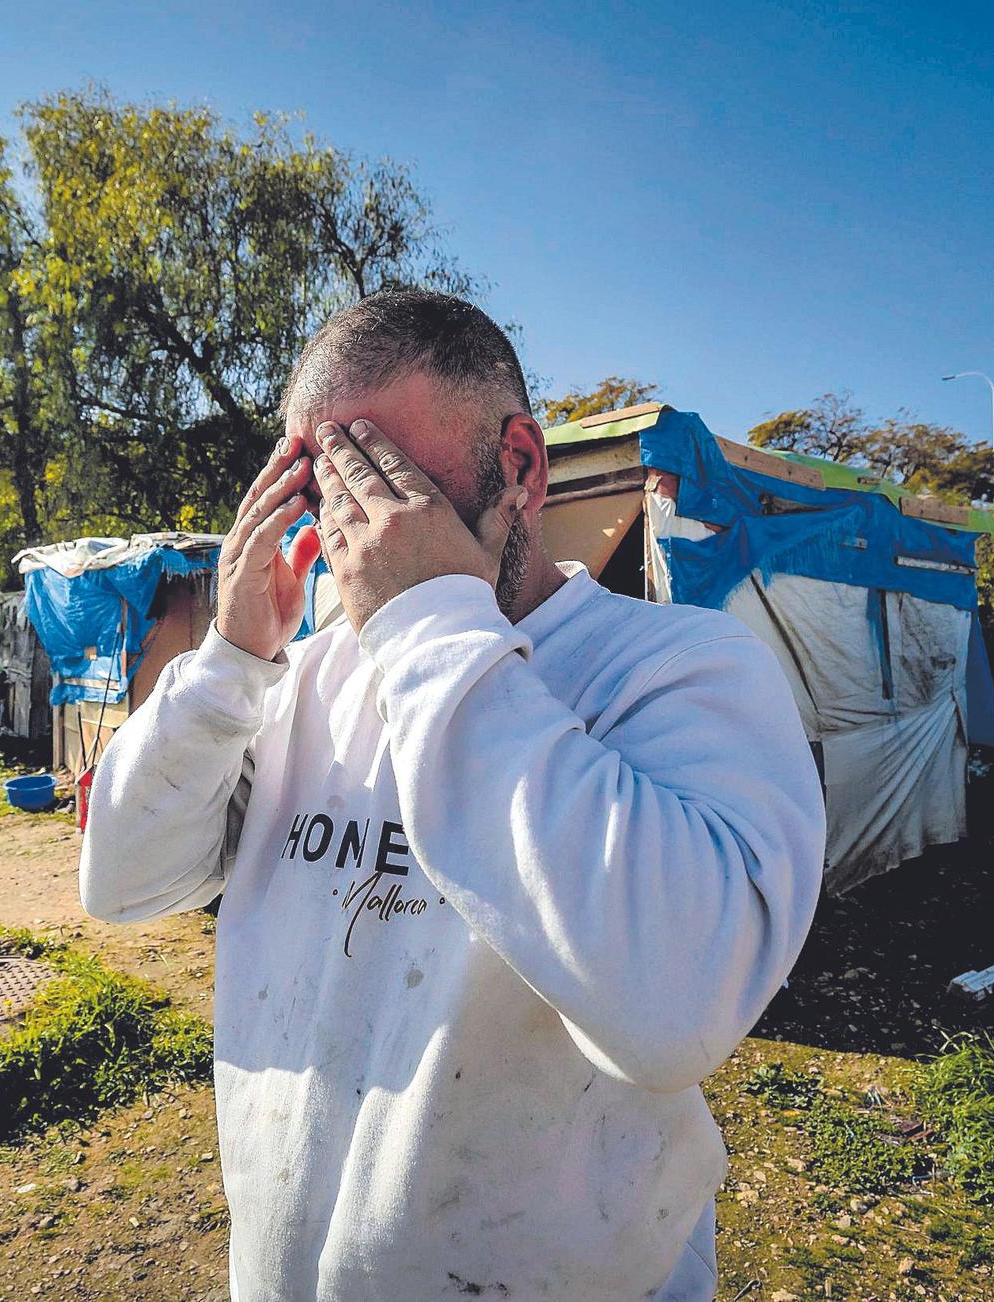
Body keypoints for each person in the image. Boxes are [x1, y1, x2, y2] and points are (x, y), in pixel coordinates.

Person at [80, 290, 826, 1300]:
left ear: (518, 465)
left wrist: (429, 622)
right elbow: (122, 881)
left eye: (385, 479)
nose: (352, 525)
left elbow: (673, 1011)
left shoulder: (681, 670)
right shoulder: (295, 677)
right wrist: (228, 654)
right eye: (321, 483)